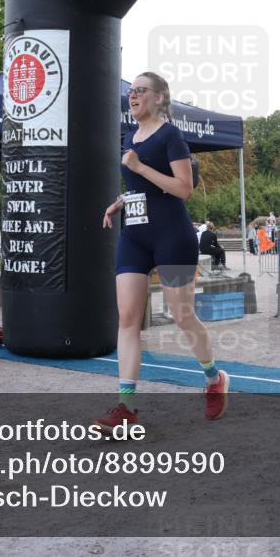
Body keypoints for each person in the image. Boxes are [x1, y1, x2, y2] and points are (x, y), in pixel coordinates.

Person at [98, 71, 228, 434]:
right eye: (131, 91)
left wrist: (138, 166)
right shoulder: (130, 136)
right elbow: (142, 188)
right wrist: (119, 202)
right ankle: (127, 407)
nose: (133, 96)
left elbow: (184, 188)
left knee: (182, 316)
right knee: (127, 319)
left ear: (159, 98)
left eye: (141, 91)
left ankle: (214, 377)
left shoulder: (170, 135)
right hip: (135, 237)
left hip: (172, 236)